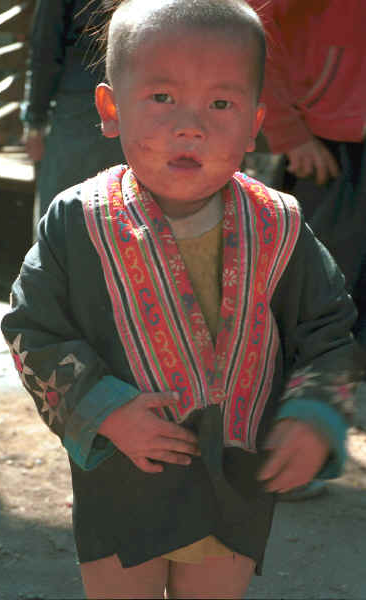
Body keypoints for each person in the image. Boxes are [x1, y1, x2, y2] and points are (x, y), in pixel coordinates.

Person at [1, 1, 364, 598]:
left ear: (255, 122)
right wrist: (106, 409)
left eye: (221, 104)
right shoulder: (76, 221)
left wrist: (313, 414)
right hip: (123, 472)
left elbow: (327, 329)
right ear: (111, 109)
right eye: (162, 98)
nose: (190, 125)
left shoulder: (280, 225)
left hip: (237, 478)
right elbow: (31, 327)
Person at [247, 0, 366, 501]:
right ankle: (279, 457)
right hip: (331, 145)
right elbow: (254, 20)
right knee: (314, 307)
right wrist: (289, 130)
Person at [22, 0, 125, 238]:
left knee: (57, 224)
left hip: (79, 108)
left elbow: (45, 49)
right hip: (137, 100)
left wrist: (35, 122)